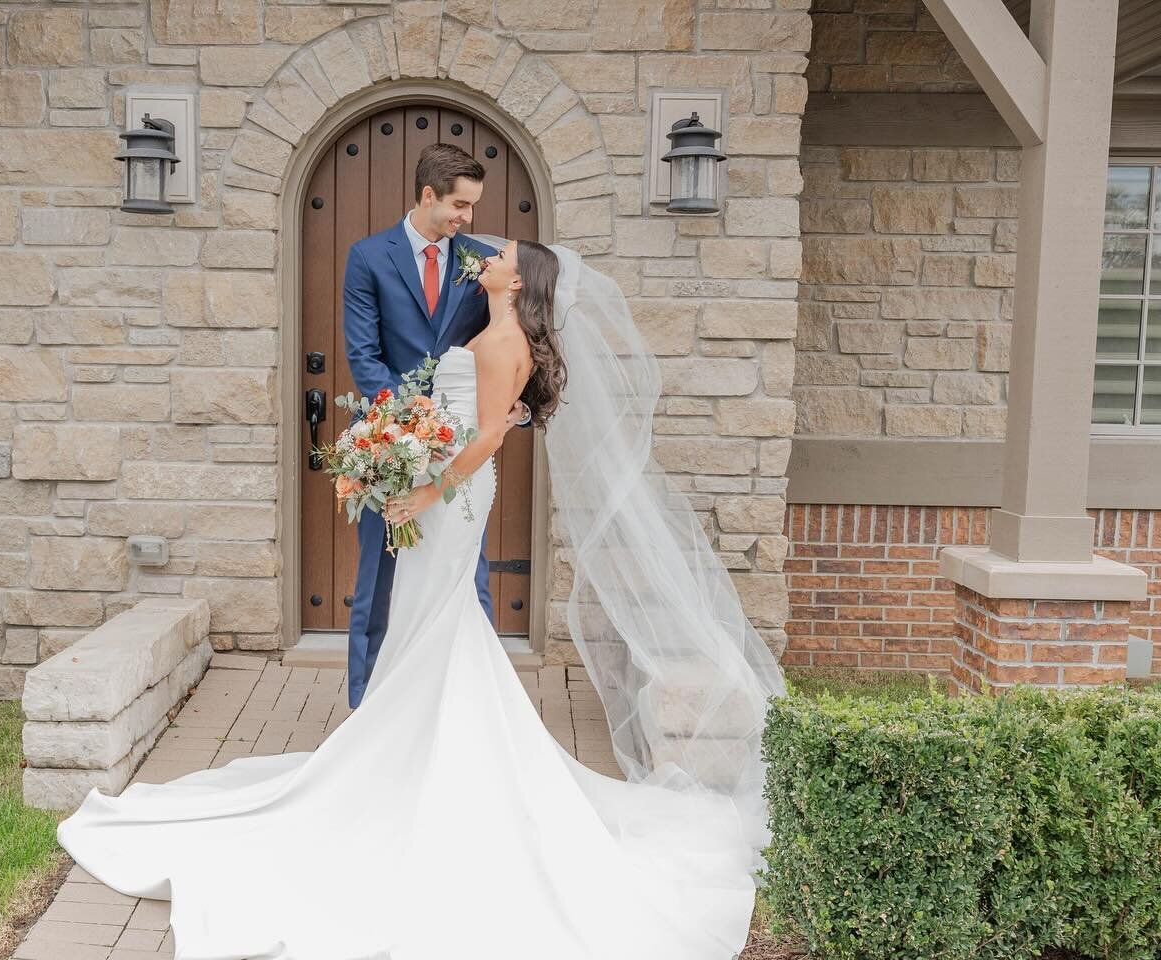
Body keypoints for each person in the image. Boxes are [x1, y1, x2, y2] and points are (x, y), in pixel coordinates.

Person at [56, 237, 787, 960]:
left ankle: (428, 766)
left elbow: (492, 434)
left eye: (502, 256)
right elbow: (460, 419)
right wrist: (401, 452)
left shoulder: (504, 341)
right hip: (440, 490)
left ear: (519, 279)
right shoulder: (490, 329)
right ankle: (418, 754)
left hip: (455, 497)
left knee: (440, 620)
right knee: (434, 623)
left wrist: (430, 484)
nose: (489, 257)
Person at [339, 142, 526, 709]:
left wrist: (515, 399)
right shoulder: (369, 257)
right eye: (460, 205)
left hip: (461, 450)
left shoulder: (479, 260)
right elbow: (365, 356)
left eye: (472, 206)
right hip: (392, 442)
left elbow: (518, 327)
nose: (468, 218)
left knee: (465, 575)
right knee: (377, 578)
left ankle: (472, 711)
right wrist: (405, 429)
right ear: (428, 195)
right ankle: (364, 708)